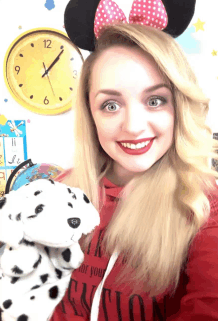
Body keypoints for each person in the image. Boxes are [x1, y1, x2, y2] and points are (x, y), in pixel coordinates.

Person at [49, 20, 218, 321]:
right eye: (111, 105)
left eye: (155, 101)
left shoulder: (205, 208)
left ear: (179, 105)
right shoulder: (60, 190)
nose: (134, 126)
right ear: (91, 115)